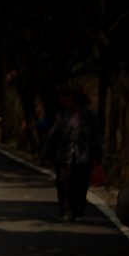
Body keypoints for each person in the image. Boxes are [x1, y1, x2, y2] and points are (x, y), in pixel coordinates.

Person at [41, 86, 104, 222]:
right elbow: (53, 136)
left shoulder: (89, 116)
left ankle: (78, 211)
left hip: (83, 157)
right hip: (64, 156)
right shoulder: (62, 116)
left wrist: (98, 157)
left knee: (81, 185)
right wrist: (46, 153)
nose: (62, 100)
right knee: (63, 184)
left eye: (65, 97)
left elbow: (96, 137)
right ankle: (64, 210)